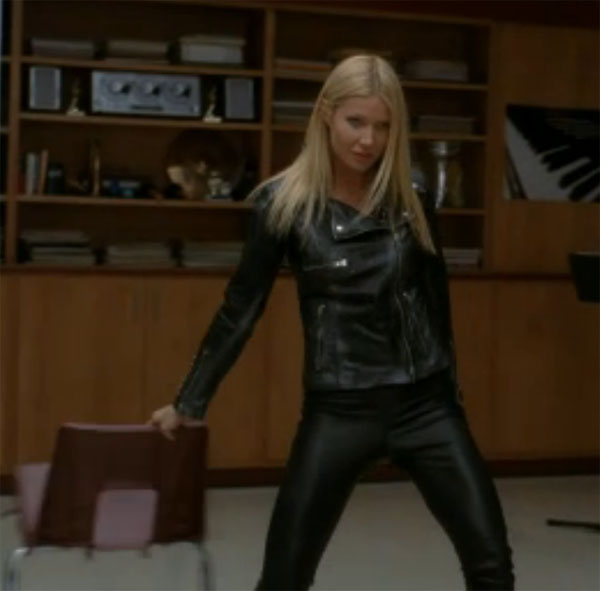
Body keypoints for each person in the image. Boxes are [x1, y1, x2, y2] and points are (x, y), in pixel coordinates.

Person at [149, 54, 514, 590]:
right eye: (356, 122)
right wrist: (189, 401)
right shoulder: (282, 205)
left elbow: (437, 306)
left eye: (383, 126)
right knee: (284, 579)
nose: (368, 140)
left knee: (492, 566)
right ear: (325, 114)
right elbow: (240, 308)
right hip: (340, 408)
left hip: (426, 405)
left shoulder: (413, 199)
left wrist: (451, 400)